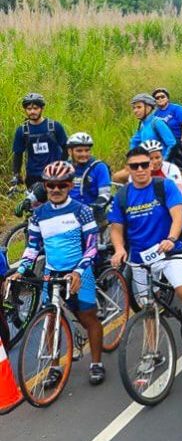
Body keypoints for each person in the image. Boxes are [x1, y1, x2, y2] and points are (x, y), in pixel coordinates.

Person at [109, 147, 182, 359]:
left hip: (168, 253)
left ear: (151, 166)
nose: (140, 169)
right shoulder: (122, 196)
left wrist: (171, 239)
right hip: (140, 259)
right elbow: (116, 228)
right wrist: (120, 249)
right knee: (147, 307)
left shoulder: (164, 186)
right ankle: (151, 353)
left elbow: (177, 217)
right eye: (134, 166)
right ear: (127, 169)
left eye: (144, 164)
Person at [6, 161, 104, 384]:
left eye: (62, 184)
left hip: (80, 270)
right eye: (51, 185)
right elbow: (32, 247)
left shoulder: (82, 210)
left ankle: (96, 363)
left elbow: (91, 247)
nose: (56, 189)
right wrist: (20, 270)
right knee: (50, 319)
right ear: (45, 186)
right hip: (52, 272)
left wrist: (78, 272)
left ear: (70, 185)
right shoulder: (38, 215)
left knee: (88, 318)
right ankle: (53, 367)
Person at [11, 92, 69, 187]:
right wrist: (16, 174)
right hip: (33, 176)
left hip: (55, 175)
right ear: (25, 110)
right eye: (29, 109)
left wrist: (61, 166)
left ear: (42, 109)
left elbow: (66, 148)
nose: (32, 112)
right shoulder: (22, 130)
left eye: (35, 108)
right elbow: (18, 154)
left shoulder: (54, 126)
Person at [66, 133, 112, 210]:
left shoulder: (99, 167)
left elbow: (105, 195)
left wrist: (92, 208)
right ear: (70, 152)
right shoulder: (64, 167)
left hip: (92, 210)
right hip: (68, 210)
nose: (84, 154)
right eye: (79, 151)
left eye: (87, 150)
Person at [128, 93, 177, 158]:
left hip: (161, 165)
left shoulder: (157, 122)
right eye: (134, 108)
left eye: (139, 107)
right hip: (148, 165)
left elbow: (172, 144)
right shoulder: (142, 125)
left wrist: (163, 162)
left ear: (148, 108)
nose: (135, 111)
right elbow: (133, 142)